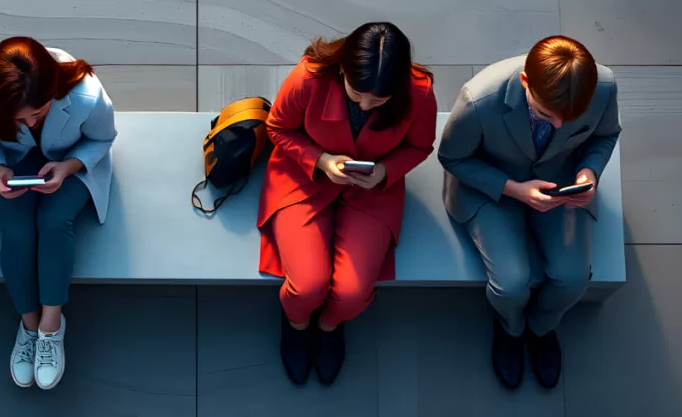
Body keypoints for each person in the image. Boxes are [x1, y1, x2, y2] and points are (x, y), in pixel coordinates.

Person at [257, 22, 438, 385]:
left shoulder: (418, 92)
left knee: (353, 294)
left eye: (379, 101)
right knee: (307, 286)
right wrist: (321, 160)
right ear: (342, 68)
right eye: (357, 94)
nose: (366, 105)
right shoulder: (309, 76)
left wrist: (386, 171)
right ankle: (297, 323)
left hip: (371, 188)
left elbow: (420, 147)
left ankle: (329, 326)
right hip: (304, 178)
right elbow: (277, 128)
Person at [437, 35, 621, 390]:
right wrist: (513, 189)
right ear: (525, 82)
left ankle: (542, 327)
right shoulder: (479, 99)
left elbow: (605, 135)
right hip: (492, 188)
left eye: (568, 119)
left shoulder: (604, 86)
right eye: (545, 114)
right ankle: (510, 327)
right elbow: (452, 157)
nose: (557, 126)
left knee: (573, 277)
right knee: (510, 284)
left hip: (560, 184)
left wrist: (588, 173)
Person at [0, 36, 116, 390]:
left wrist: (67, 168)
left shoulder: (87, 95)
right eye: (20, 118)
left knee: (53, 222)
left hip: (71, 162)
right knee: (17, 233)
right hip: (12, 166)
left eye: (39, 113)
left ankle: (50, 326)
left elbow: (102, 139)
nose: (31, 123)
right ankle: (28, 324)